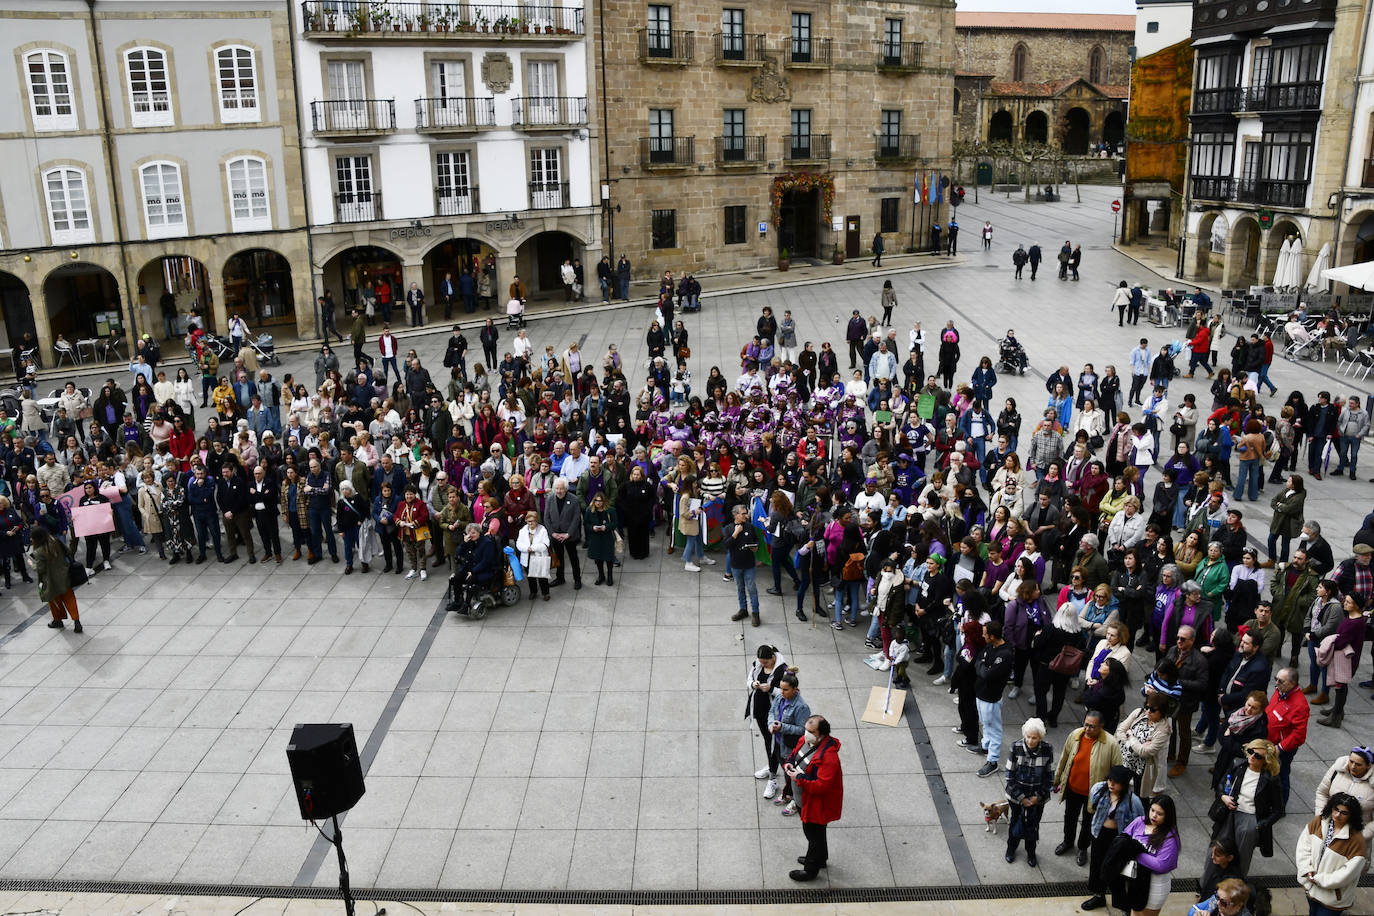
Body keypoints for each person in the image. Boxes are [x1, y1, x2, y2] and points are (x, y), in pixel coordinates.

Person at [1053, 709, 1123, 866]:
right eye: (1086, 725)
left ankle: (1083, 848)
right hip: (1072, 788)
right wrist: (1057, 779)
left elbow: (1117, 770)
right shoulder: (1075, 735)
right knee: (1069, 817)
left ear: (1101, 726)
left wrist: (1114, 793)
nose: (1088, 729)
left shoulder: (1111, 744)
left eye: (1092, 726)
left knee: (1088, 822)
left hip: (1094, 794)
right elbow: (1064, 758)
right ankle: (1068, 842)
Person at [1211, 738, 1285, 876]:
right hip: (1230, 812)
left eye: (1258, 756)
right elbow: (1221, 783)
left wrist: (1259, 825)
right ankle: (1208, 885)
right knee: (1216, 850)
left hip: (1250, 818)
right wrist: (1223, 797)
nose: (1252, 756)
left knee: (1242, 856)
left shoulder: (1270, 779)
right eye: (1251, 751)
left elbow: (1278, 810)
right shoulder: (1238, 765)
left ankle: (1235, 886)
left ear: (1266, 760)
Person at [785, 715, 843, 881]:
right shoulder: (805, 740)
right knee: (816, 834)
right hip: (803, 799)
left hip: (816, 805)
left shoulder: (829, 757)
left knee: (813, 836)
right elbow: (794, 756)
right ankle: (820, 859)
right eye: (806, 730)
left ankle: (810, 869)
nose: (806, 734)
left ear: (822, 734)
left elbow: (822, 786)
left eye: (811, 731)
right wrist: (789, 764)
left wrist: (800, 778)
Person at [1080, 764, 1145, 911]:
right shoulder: (1099, 790)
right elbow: (1093, 805)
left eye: (1116, 782)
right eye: (1110, 780)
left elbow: (1140, 822)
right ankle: (1099, 896)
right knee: (1096, 866)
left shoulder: (1133, 802)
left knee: (1117, 871)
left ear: (1124, 784)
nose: (1111, 784)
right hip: (1099, 834)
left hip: (1118, 840)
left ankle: (1122, 904)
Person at [1296, 793, 1367, 916]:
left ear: (1352, 816)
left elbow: (1347, 874)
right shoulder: (1319, 822)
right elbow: (1303, 846)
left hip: (1332, 898)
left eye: (1343, 813)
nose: (1337, 815)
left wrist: (1318, 879)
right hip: (1311, 888)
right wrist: (1307, 869)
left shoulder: (1356, 841)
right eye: (1336, 809)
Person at [1112, 795, 1181, 916]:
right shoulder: (1139, 821)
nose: (1154, 815)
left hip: (1155, 885)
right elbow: (1123, 840)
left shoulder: (1170, 837)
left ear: (1167, 816)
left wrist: (1136, 851)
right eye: (1152, 810)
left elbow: (1161, 865)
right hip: (1135, 880)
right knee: (1134, 912)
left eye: (1159, 813)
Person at [1004, 718, 1054, 866]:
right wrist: (1022, 799)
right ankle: (1011, 849)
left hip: (1037, 798)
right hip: (1016, 797)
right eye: (1028, 737)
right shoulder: (1015, 747)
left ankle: (1031, 852)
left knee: (1033, 825)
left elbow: (1049, 778)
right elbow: (1009, 777)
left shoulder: (1047, 749)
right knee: (1015, 822)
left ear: (1040, 738)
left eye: (1034, 738)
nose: (1030, 741)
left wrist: (1036, 798)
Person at [974, 620, 1014, 778]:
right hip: (981, 693)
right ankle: (985, 746)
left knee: (994, 729)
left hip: (991, 698)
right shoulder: (990, 646)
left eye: (984, 634)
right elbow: (978, 661)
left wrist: (982, 666)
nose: (982, 636)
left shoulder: (1005, 654)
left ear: (992, 636)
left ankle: (993, 761)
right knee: (985, 723)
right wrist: (983, 665)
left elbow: (987, 674)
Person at [766, 671, 811, 808]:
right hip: (779, 742)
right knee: (785, 770)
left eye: (786, 689)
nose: (782, 692)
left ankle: (793, 798)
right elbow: (772, 712)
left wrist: (782, 727)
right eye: (781, 689)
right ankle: (789, 794)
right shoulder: (780, 697)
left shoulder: (801, 707)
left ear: (795, 689)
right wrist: (770, 724)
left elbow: (803, 730)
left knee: (790, 772)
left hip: (790, 746)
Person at [1314, 747, 1374, 844]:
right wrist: (1321, 818)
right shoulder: (1336, 770)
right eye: (1351, 761)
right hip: (1327, 830)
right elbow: (1322, 793)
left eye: (1358, 764)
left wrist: (1360, 837)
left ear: (1368, 766)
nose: (1353, 766)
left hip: (1354, 840)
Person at [32, 526, 80, 633]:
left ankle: (58, 620)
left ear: (37, 538)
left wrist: (32, 564)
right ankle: (77, 621)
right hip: (64, 576)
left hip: (50, 581)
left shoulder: (38, 552)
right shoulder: (56, 541)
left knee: (54, 602)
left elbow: (40, 569)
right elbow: (67, 551)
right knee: (70, 599)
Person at [727, 504, 761, 626]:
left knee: (752, 589)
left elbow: (757, 540)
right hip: (736, 565)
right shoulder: (729, 528)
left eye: (746, 513)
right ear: (736, 515)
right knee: (740, 588)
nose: (745, 515)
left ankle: (755, 613)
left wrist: (755, 547)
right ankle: (743, 610)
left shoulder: (750, 527)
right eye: (743, 513)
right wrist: (735, 534)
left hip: (749, 564)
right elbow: (726, 545)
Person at [515, 510, 551, 600]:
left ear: (536, 521)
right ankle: (533, 592)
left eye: (532, 521)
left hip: (539, 556)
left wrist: (533, 548)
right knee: (530, 576)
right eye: (528, 521)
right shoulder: (523, 531)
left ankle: (545, 593)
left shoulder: (542, 530)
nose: (530, 523)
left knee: (542, 576)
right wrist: (526, 548)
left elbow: (546, 544)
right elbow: (518, 543)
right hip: (527, 557)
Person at [584, 491, 617, 586]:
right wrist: (592, 528)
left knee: (608, 558)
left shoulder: (611, 510)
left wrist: (606, 527)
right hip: (595, 538)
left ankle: (610, 576)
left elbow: (615, 523)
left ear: (604, 501)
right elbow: (586, 523)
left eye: (600, 501)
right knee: (598, 558)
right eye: (596, 501)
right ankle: (601, 575)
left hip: (607, 538)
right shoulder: (590, 510)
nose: (598, 503)